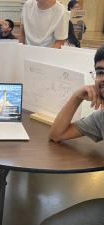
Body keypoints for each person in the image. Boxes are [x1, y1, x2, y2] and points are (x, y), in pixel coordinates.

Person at [40, 45, 104, 225]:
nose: (103, 78)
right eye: (100, 72)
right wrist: (76, 96)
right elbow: (57, 134)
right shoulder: (101, 119)